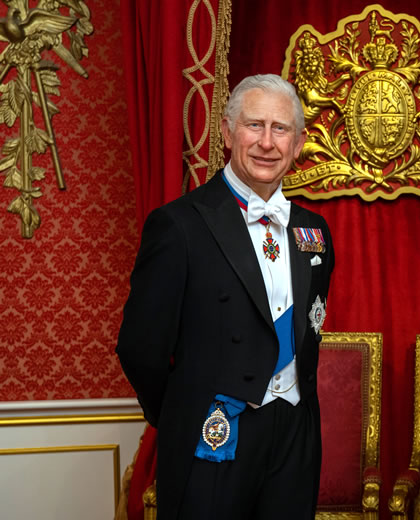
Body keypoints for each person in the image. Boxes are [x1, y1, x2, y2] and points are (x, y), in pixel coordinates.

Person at [116, 74, 335, 519]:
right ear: (227, 131)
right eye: (254, 125)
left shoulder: (314, 231)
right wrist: (184, 412)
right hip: (213, 431)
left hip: (294, 433)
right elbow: (141, 349)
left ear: (299, 143)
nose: (267, 143)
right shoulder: (179, 225)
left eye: (281, 129)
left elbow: (309, 327)